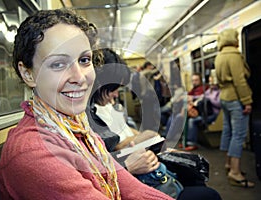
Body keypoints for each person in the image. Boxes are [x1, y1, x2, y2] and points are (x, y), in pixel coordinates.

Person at [0, 9, 174, 200]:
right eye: (58, 64)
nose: (80, 77)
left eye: (84, 60)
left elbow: (132, 189)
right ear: (28, 74)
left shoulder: (80, 130)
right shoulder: (34, 153)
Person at [88, 48, 222, 200]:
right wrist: (143, 145)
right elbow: (115, 149)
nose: (116, 94)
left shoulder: (99, 108)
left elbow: (121, 135)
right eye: (114, 89)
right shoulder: (89, 116)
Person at [214, 28, 254, 188]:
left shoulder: (219, 56)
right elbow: (240, 81)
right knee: (239, 134)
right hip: (236, 97)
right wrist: (247, 101)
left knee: (228, 131)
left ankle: (229, 164)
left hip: (224, 97)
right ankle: (235, 173)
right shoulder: (234, 56)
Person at [184, 75, 221, 151]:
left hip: (214, 114)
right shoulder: (209, 90)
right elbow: (202, 96)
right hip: (206, 113)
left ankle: (191, 143)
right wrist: (192, 98)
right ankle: (186, 141)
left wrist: (209, 98)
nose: (211, 84)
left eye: (212, 81)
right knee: (187, 118)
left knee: (192, 120)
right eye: (210, 81)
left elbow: (218, 104)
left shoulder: (219, 91)